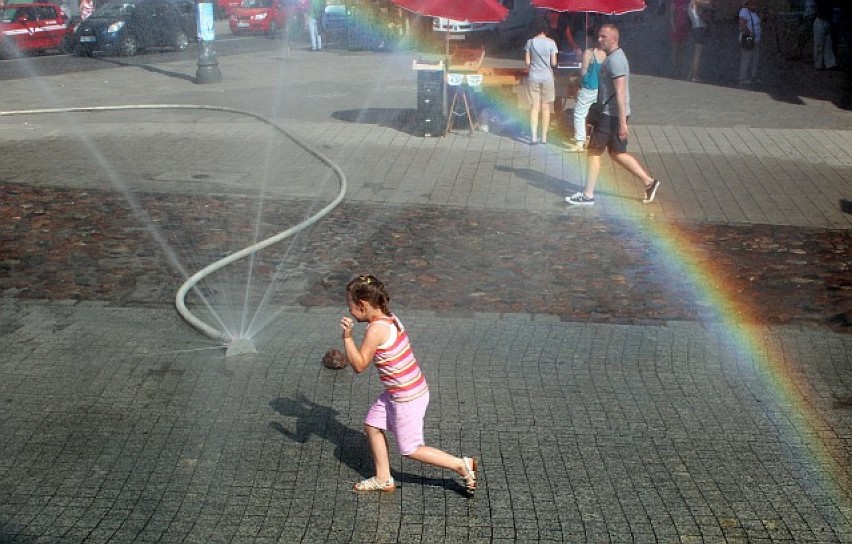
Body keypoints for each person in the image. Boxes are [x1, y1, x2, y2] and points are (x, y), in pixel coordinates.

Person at [340, 275, 478, 495]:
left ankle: (460, 464)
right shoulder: (391, 318)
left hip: (406, 398)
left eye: (350, 307)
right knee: (372, 425)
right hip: (405, 390)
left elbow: (359, 365)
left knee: (410, 449)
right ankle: (384, 477)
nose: (349, 312)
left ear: (362, 305)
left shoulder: (375, 330)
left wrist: (347, 337)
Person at [566, 24, 661, 206]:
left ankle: (587, 195)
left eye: (603, 37)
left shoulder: (616, 60)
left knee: (594, 152)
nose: (599, 39)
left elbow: (621, 92)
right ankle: (649, 182)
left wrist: (623, 124)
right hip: (611, 114)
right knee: (617, 153)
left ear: (614, 39)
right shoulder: (610, 58)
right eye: (599, 36)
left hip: (611, 116)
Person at [565, 30, 606, 152]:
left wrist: (577, 78)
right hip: (600, 88)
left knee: (579, 114)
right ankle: (591, 137)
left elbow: (583, 71)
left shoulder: (589, 53)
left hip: (588, 87)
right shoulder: (605, 54)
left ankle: (579, 141)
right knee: (594, 113)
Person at [524, 18, 559, 145]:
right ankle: (544, 137)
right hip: (547, 77)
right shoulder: (551, 43)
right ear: (546, 29)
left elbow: (527, 62)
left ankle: (533, 137)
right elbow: (554, 63)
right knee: (546, 107)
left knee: (534, 107)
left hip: (533, 76)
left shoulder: (530, 43)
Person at [738, 0, 762, 85]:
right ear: (748, 3)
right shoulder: (744, 11)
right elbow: (742, 23)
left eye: (756, 3)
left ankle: (753, 77)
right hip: (748, 37)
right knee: (746, 58)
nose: (755, 4)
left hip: (756, 39)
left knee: (755, 58)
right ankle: (743, 78)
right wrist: (749, 33)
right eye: (753, 3)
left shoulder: (755, 12)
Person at [687, 0, 712, 82]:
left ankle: (690, 75)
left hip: (698, 27)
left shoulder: (692, 4)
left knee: (697, 53)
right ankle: (695, 75)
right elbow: (706, 3)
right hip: (699, 27)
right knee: (698, 53)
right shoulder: (694, 3)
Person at [813, 0, 837, 71]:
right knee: (825, 44)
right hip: (824, 20)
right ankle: (827, 64)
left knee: (824, 44)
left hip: (822, 20)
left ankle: (821, 65)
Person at [669, 0, 691, 77]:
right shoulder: (674, 3)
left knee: (682, 49)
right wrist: (673, 27)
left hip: (685, 28)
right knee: (676, 49)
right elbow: (672, 17)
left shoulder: (687, 2)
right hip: (677, 28)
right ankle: (675, 69)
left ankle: (680, 68)